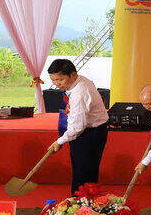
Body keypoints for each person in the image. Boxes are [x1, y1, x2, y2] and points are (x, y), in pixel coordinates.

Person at [46, 59, 109, 195]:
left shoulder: (80, 92)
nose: (56, 84)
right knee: (85, 173)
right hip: (91, 131)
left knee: (83, 175)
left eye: (60, 80)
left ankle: (81, 209)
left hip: (89, 134)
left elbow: (78, 126)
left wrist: (59, 141)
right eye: (53, 80)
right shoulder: (80, 80)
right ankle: (85, 207)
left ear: (73, 75)